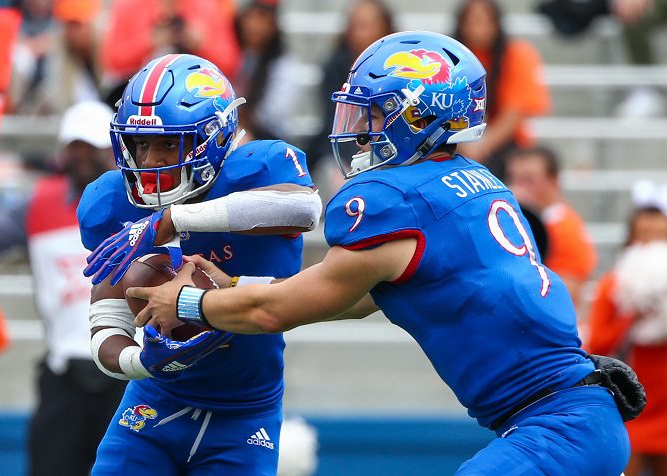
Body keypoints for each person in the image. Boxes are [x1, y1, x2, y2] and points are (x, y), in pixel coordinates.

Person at [126, 31, 643, 475]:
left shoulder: (394, 201)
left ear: (422, 116)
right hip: (578, 414)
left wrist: (190, 304)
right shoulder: (473, 182)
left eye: (372, 113)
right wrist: (233, 288)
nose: (355, 127)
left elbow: (274, 311)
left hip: (558, 426)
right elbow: (350, 295)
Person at [77, 53, 321, 475]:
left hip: (245, 411)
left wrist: (172, 219)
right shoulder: (111, 202)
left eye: (169, 143)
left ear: (212, 137)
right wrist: (143, 362)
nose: (151, 160)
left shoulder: (256, 170)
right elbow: (107, 316)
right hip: (155, 402)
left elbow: (304, 208)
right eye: (141, 143)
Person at [0, 101, 126, 476]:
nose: (81, 156)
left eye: (89, 147)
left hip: (129, 371)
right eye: (74, 147)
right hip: (63, 371)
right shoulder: (37, 205)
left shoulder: (138, 203)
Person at [586, 203, 667, 476]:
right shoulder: (614, 286)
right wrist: (631, 316)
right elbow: (596, 345)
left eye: (661, 234)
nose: (654, 241)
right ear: (631, 238)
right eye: (645, 233)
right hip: (629, 404)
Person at [453, 0, 551, 180]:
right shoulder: (447, 58)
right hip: (455, 143)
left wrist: (481, 146)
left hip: (506, 148)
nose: (477, 28)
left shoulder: (518, 54)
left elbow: (516, 110)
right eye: (471, 21)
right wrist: (463, 146)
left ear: (497, 23)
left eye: (483, 21)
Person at [304, 0, 395, 174]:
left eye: (365, 25)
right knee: (331, 170)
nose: (357, 32)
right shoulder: (336, 66)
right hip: (354, 150)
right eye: (353, 25)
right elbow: (334, 123)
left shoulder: (398, 72)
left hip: (391, 146)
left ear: (385, 27)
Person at [99, 0, 240, 110]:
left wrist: (202, 44)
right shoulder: (129, 5)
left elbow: (231, 64)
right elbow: (112, 60)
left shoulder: (206, 7)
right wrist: (149, 41)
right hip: (139, 97)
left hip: (197, 99)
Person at [506, 146, 597, 311]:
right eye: (514, 179)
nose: (517, 188)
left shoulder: (566, 229)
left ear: (554, 181)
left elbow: (564, 295)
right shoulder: (516, 219)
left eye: (528, 180)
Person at [232, 0, 302, 142]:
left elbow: (272, 116)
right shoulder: (236, 56)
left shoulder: (285, 66)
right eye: (250, 18)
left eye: (262, 18)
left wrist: (243, 117)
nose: (253, 26)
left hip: (268, 138)